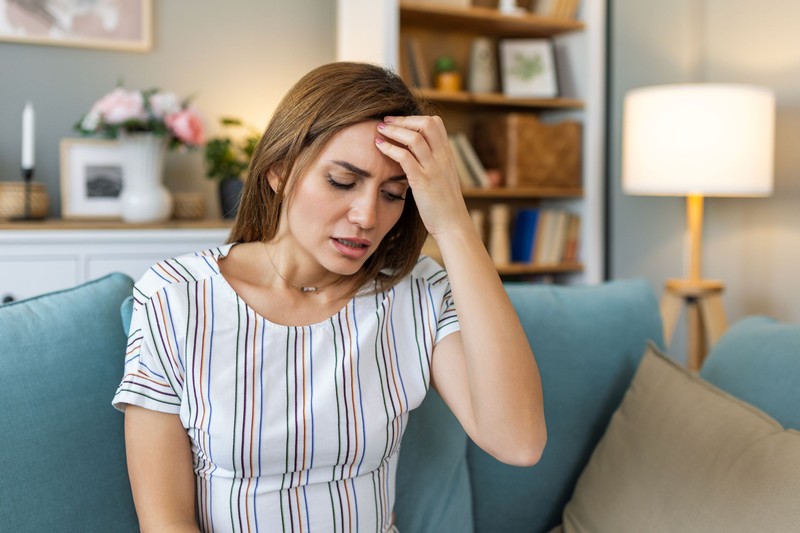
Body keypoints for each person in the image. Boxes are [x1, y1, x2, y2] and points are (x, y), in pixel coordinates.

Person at [113, 61, 546, 533]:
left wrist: (453, 222)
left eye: (394, 194)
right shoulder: (174, 297)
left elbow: (519, 442)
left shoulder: (417, 290)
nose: (366, 216)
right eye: (342, 181)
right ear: (279, 171)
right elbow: (165, 523)